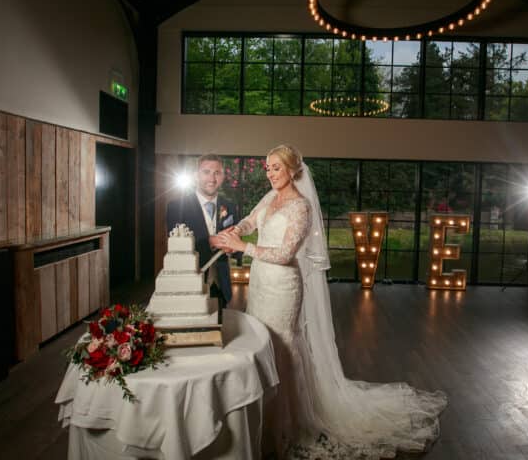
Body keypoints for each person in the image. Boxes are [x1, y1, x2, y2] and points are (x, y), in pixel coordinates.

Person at [217, 144, 447, 459]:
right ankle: (259, 416)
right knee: (260, 343)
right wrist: (234, 231)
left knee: (283, 346)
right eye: (267, 168)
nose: (270, 174)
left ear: (293, 170)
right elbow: (249, 221)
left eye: (276, 168)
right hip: (260, 282)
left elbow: (285, 255)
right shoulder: (270, 198)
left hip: (284, 285)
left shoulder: (301, 207)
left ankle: (289, 425)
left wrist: (242, 247)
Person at [166, 154, 239, 308]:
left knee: (219, 328)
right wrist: (210, 241)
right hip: (190, 282)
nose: (212, 179)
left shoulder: (231, 207)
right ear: (196, 176)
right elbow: (175, 248)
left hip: (221, 285)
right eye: (206, 172)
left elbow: (237, 248)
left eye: (217, 173)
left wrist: (233, 248)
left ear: (223, 176)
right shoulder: (176, 206)